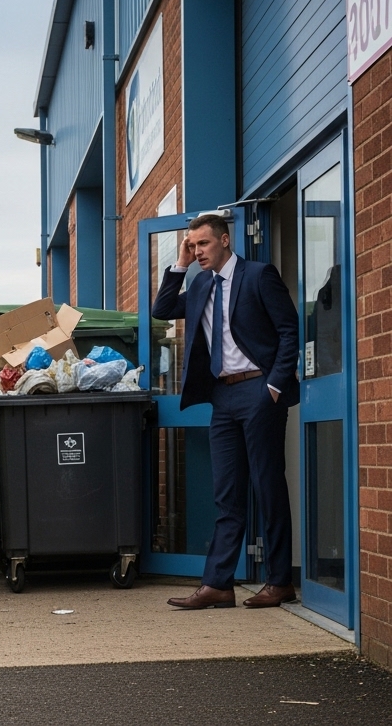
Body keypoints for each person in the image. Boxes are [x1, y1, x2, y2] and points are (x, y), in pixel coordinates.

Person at [152, 213, 300, 610]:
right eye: (192, 245)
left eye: (203, 244)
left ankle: (280, 580)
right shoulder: (200, 283)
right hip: (223, 397)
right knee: (227, 493)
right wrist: (179, 264)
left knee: (268, 486)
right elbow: (162, 310)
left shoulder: (258, 275)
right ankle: (218, 584)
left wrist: (273, 385)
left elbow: (289, 331)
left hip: (258, 389)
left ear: (225, 240)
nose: (198, 251)